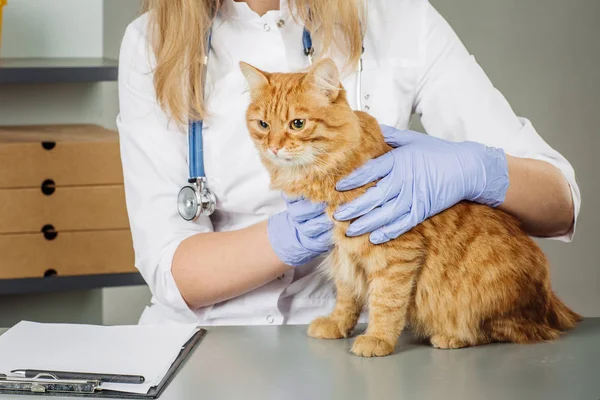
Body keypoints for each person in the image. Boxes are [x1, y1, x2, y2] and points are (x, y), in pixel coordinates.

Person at [116, 0, 580, 326]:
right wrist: (297, 232)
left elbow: (558, 200)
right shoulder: (152, 42)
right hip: (205, 343)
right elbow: (171, 270)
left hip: (361, 338)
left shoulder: (399, 17)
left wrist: (475, 168)